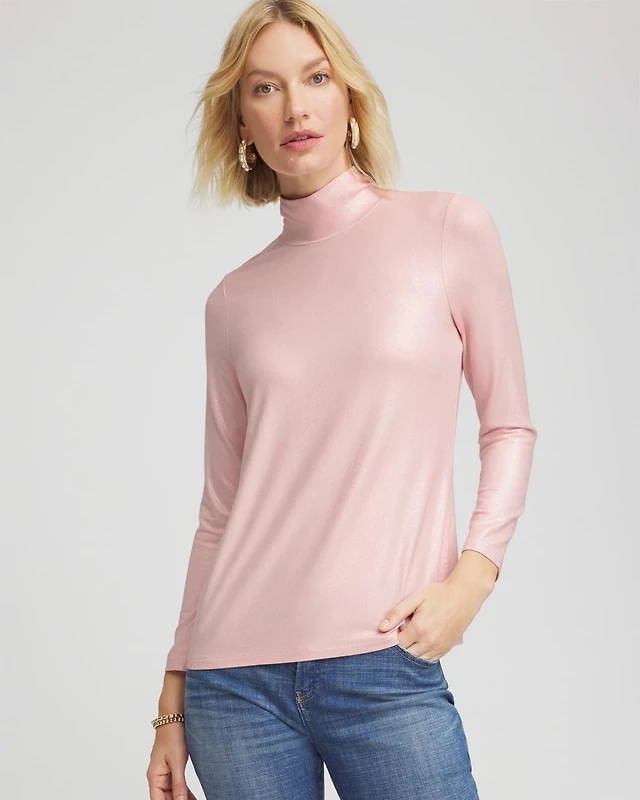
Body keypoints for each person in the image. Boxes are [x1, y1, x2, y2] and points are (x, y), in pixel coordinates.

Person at [146, 1, 538, 798]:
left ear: (350, 98)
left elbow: (509, 426)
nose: (295, 107)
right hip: (235, 686)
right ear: (243, 125)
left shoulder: (448, 230)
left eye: (316, 78)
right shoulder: (233, 302)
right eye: (265, 88)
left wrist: (472, 578)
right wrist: (172, 695)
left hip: (385, 666)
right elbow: (220, 511)